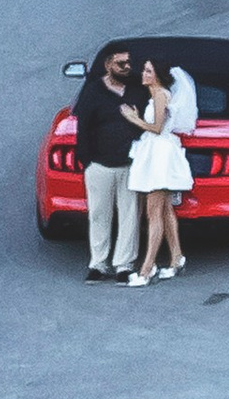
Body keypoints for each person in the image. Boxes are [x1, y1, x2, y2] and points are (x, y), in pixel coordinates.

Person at [71, 45, 141, 280]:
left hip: (130, 164)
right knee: (99, 214)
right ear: (108, 64)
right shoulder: (93, 92)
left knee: (130, 215)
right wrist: (87, 160)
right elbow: (83, 128)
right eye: (121, 63)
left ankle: (124, 265)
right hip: (99, 164)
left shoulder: (137, 89)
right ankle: (99, 264)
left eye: (129, 63)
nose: (126, 67)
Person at [126, 54, 193, 284]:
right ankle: (176, 258)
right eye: (144, 70)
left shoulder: (161, 95)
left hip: (160, 156)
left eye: (148, 71)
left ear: (157, 75)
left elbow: (156, 128)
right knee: (164, 210)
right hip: (156, 152)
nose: (143, 74)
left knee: (153, 213)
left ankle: (147, 269)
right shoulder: (156, 95)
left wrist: (133, 118)